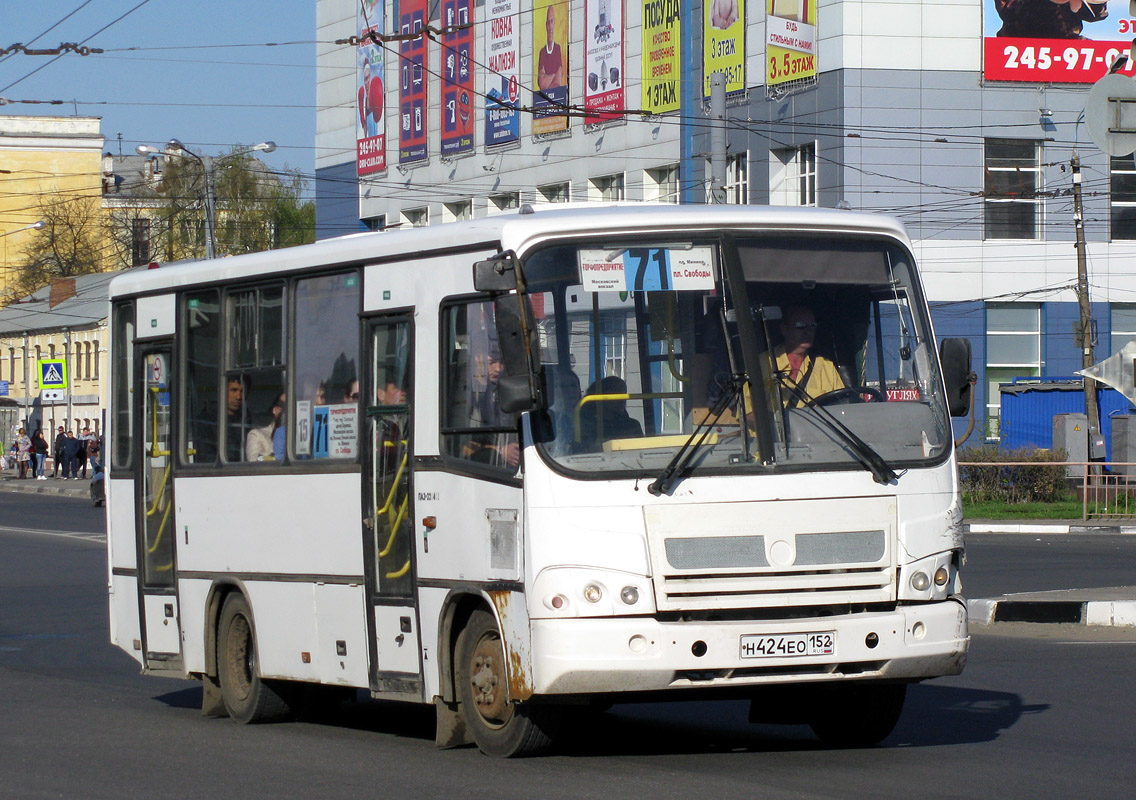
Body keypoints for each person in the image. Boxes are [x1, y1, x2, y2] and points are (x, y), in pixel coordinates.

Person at [774, 305, 844, 407]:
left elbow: (842, 407)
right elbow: (747, 415)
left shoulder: (826, 366)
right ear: (784, 329)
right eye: (801, 325)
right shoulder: (763, 364)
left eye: (812, 325)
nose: (808, 331)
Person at [578, 375, 643, 450]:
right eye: (615, 394)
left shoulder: (632, 426)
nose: (622, 399)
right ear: (600, 397)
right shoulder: (586, 424)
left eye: (624, 394)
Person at [994, 0, 1107, 39]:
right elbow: (1008, 12)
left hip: (1066, 44)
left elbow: (1095, 14)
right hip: (1018, 43)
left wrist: (1081, 5)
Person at [246, 391, 286, 462]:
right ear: (275, 409)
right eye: (283, 406)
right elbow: (254, 461)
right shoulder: (256, 435)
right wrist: (278, 456)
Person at [537, 4, 565, 91]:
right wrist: (554, 75)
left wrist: (548, 77)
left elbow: (558, 82)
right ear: (546, 25)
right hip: (543, 99)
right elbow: (542, 84)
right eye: (548, 22)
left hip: (557, 99)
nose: (550, 26)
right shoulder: (542, 52)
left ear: (554, 23)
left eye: (552, 21)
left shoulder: (557, 49)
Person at [358, 58, 384, 137]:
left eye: (368, 77)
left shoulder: (377, 95)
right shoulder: (363, 95)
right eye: (365, 79)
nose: (368, 81)